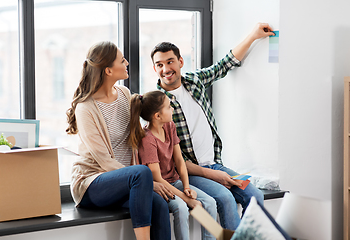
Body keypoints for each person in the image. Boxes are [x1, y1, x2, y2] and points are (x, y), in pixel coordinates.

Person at [150, 23, 275, 231]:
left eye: (170, 62)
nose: (165, 69)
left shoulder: (195, 81)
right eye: (159, 65)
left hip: (215, 164)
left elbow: (224, 64)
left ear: (180, 62)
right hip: (191, 173)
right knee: (225, 198)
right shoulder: (157, 106)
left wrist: (253, 35)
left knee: (254, 195)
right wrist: (213, 175)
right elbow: (173, 160)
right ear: (155, 68)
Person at [66, 41, 171, 240]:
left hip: (128, 181)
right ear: (108, 70)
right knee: (141, 173)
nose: (127, 63)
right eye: (122, 60)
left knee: (159, 204)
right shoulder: (85, 108)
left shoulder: (124, 94)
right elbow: (104, 161)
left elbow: (137, 135)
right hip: (92, 184)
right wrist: (145, 179)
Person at [129, 90, 217, 240]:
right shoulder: (148, 140)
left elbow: (179, 161)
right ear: (157, 116)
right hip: (161, 187)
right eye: (169, 107)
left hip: (175, 182)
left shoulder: (170, 126)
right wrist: (186, 199)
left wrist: (187, 187)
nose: (173, 109)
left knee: (209, 202)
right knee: (181, 208)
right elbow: (157, 178)